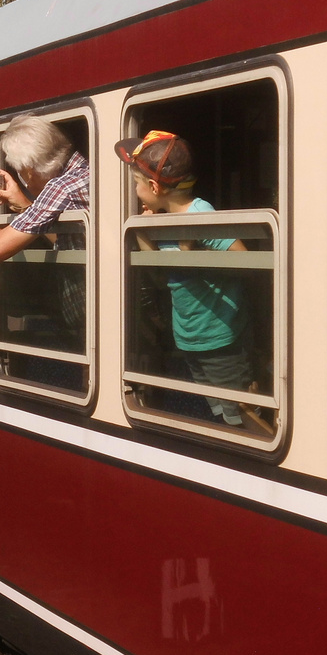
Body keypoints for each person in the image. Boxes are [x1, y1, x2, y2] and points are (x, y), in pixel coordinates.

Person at [117, 129, 265, 432]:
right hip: (190, 336)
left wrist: (193, 250)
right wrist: (145, 234)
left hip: (220, 336)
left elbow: (245, 260)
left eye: (135, 183)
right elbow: (160, 275)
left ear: (154, 186)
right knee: (222, 413)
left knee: (243, 414)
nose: (134, 190)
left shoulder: (199, 214)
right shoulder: (162, 217)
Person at [0, 113, 88, 261]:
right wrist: (26, 207)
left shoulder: (60, 188)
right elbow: (71, 243)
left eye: (20, 172)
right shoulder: (85, 172)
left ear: (29, 170)